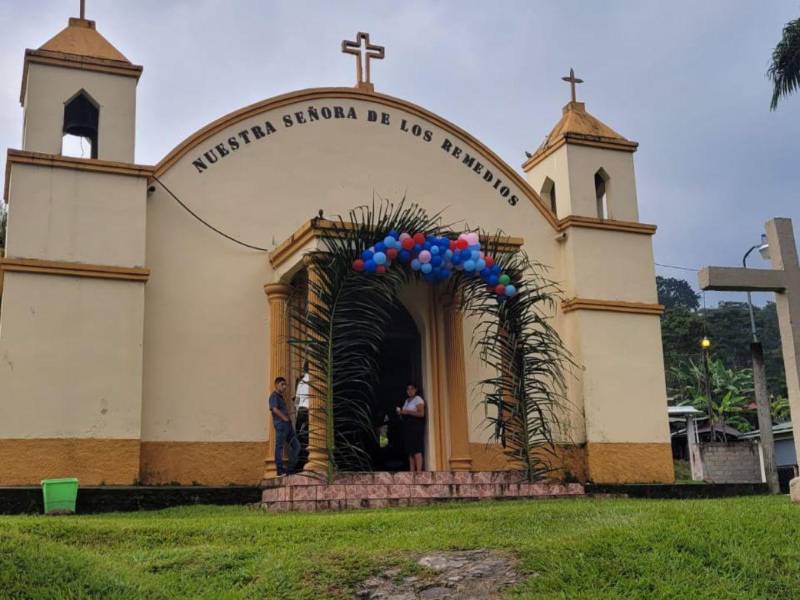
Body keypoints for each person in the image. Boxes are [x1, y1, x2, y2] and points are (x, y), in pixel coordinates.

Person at [269, 376, 300, 476]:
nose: (285, 387)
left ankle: (290, 469)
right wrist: (285, 418)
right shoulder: (274, 396)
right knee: (279, 447)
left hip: (287, 425)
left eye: (285, 384)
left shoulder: (281, 397)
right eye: (282, 384)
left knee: (297, 446)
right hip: (281, 425)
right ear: (276, 385)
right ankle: (280, 470)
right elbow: (274, 409)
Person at [396, 382, 425, 472]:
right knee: (410, 451)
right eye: (408, 389)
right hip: (408, 426)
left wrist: (408, 412)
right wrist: (400, 413)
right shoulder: (406, 401)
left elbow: (421, 413)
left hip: (416, 426)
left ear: (416, 390)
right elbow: (404, 413)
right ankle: (412, 472)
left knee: (417, 449)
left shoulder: (418, 399)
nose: (409, 391)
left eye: (412, 388)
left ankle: (419, 472)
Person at [293, 364, 310, 469]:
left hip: (301, 411)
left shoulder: (301, 382)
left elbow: (297, 400)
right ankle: (305, 459)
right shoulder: (313, 381)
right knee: (308, 436)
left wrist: (297, 410)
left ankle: (299, 461)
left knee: (299, 436)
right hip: (309, 410)